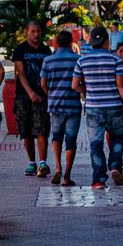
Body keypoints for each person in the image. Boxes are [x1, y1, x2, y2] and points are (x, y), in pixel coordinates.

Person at [72, 25, 123, 189]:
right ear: (107, 42)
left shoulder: (82, 61)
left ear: (91, 42)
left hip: (94, 107)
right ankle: (115, 166)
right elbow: (121, 85)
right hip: (114, 106)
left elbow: (75, 86)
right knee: (117, 139)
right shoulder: (115, 60)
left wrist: (88, 89)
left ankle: (98, 179)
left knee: (96, 143)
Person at [40, 30, 82, 186]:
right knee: (71, 140)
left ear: (56, 43)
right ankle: (67, 176)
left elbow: (43, 84)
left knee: (57, 136)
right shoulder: (78, 60)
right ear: (71, 42)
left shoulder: (48, 61)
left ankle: (57, 166)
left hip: (55, 105)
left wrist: (50, 94)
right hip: (73, 105)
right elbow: (81, 82)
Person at [12, 21, 53, 177]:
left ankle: (43, 162)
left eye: (38, 31)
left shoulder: (45, 50)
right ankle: (32, 162)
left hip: (42, 95)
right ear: (27, 32)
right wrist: (30, 92)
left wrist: (47, 93)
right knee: (26, 129)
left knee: (42, 127)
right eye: (33, 31)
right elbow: (20, 73)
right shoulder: (20, 50)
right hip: (24, 95)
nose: (36, 34)